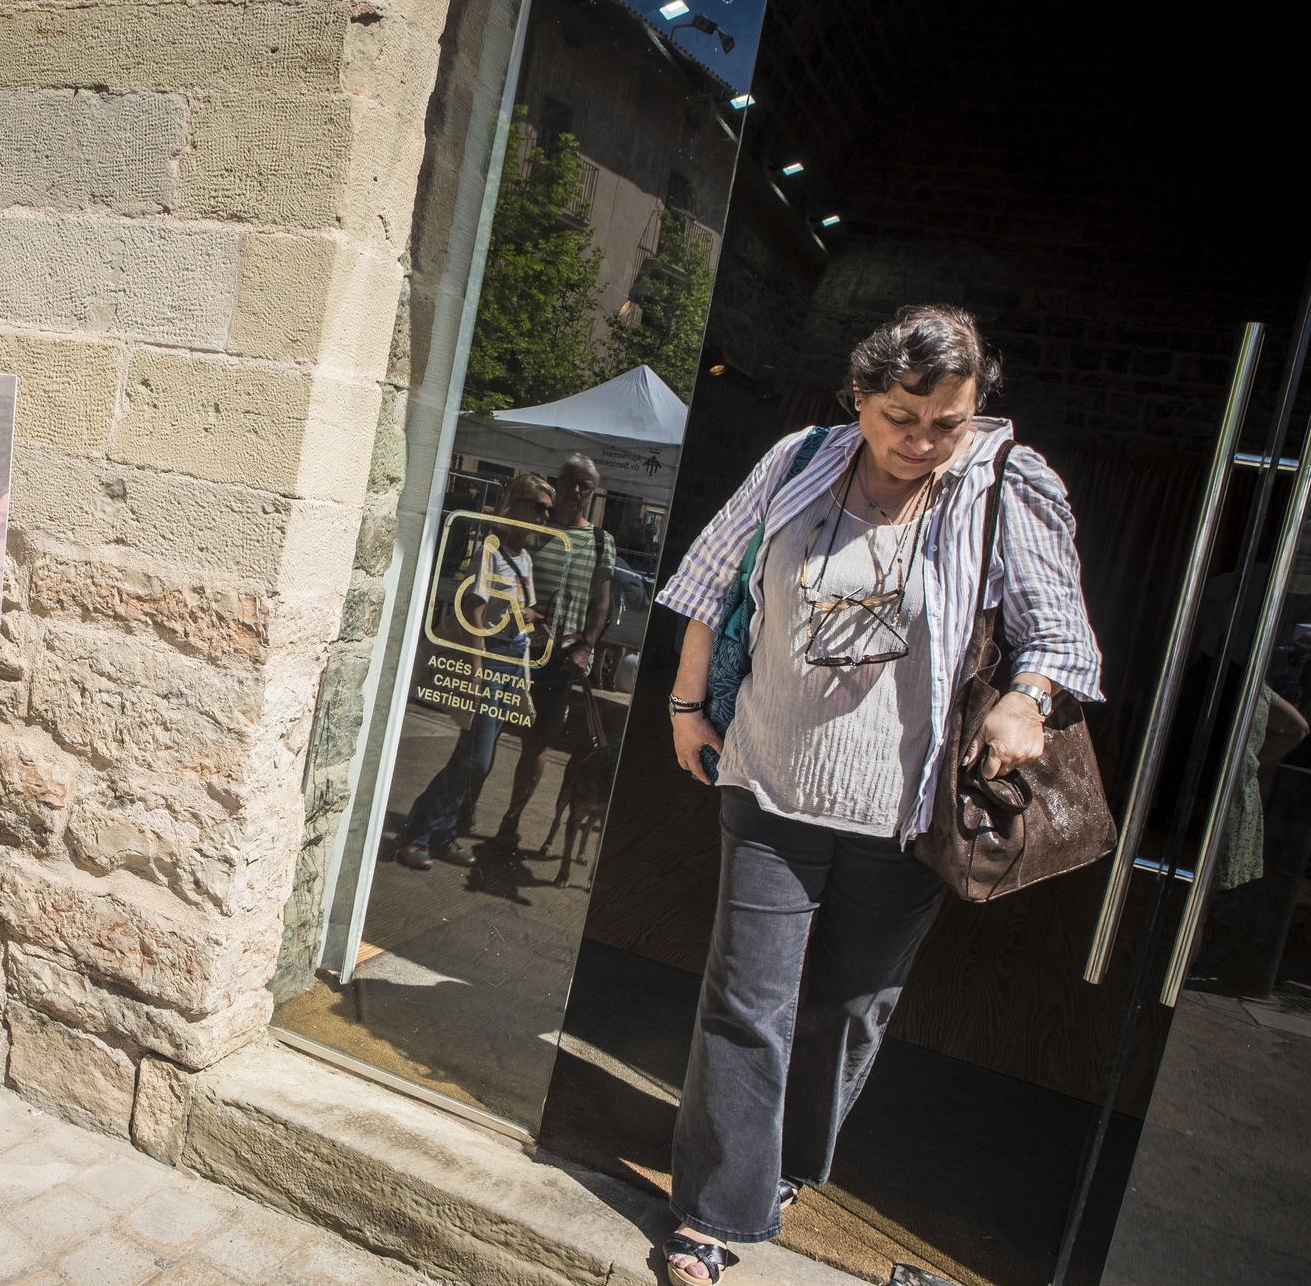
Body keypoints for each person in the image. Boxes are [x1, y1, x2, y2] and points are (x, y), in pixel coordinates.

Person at [653, 306, 1103, 1284]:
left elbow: (1061, 640)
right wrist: (689, 706)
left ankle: (781, 1170)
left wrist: (1025, 702)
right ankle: (716, 1211)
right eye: (901, 416)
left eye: (946, 420)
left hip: (903, 811)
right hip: (771, 779)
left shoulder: (1002, 485)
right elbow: (706, 582)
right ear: (858, 397)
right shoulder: (797, 459)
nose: (922, 442)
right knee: (745, 1001)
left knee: (846, 1012)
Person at [394, 471, 553, 870]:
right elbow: (475, 612)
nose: (543, 518)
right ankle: (416, 832)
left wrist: (533, 619)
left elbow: (513, 612)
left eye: (547, 512)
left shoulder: (524, 558)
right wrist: (478, 669)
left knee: (473, 755)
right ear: (515, 506)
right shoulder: (491, 551)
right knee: (476, 760)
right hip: (489, 658)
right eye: (537, 508)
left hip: (512, 660)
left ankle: (442, 834)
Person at [493, 454, 615, 848]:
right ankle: (463, 806)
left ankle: (510, 821)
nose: (576, 492)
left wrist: (587, 647)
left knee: (537, 742)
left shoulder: (600, 541)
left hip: (558, 658)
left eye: (586, 487)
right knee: (486, 733)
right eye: (570, 481)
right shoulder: (534, 525)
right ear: (557, 481)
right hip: (509, 647)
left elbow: (601, 603)